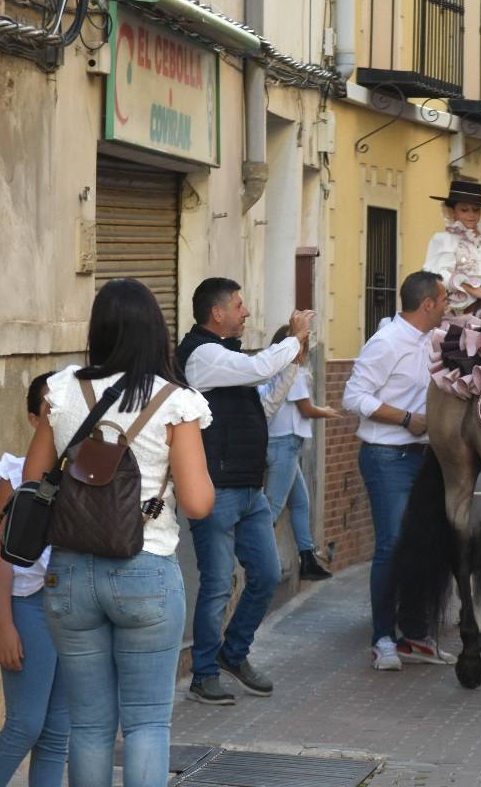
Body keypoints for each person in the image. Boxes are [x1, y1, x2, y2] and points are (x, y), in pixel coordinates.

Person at [25, 279, 214, 786]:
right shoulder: (176, 401)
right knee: (148, 723)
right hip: (146, 569)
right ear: (157, 333)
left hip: (68, 574)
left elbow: (32, 481)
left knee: (87, 726)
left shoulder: (60, 390)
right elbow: (197, 503)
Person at [178, 278, 313, 705]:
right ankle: (202, 675)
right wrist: (294, 339)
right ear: (217, 313)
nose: (246, 312)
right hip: (216, 490)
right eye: (239, 305)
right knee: (217, 585)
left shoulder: (227, 358)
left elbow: (267, 404)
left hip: (250, 488)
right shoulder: (202, 355)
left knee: (268, 576)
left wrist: (295, 360)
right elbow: (259, 370)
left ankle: (233, 654)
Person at [343, 270, 455, 671]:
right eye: (444, 300)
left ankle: (415, 636)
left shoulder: (433, 341)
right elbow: (352, 396)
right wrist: (407, 419)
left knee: (424, 546)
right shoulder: (386, 342)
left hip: (425, 459)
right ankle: (383, 639)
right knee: (391, 547)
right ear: (428, 304)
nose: (447, 306)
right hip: (387, 458)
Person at [0, 372, 68, 787]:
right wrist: (4, 626)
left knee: (56, 734)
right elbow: (0, 556)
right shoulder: (12, 476)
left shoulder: (85, 473)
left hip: (72, 610)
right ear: (34, 419)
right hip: (29, 607)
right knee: (25, 725)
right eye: (50, 409)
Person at [260, 325, 341, 581]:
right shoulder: (293, 371)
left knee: (300, 501)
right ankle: (257, 562)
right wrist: (326, 411)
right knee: (272, 507)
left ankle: (306, 557)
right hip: (284, 444)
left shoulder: (271, 367)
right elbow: (306, 409)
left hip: (279, 443)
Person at [422, 180, 481, 315]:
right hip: (455, 311)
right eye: (464, 210)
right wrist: (473, 290)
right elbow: (437, 276)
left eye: (476, 210)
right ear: (452, 211)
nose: (471, 215)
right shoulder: (443, 239)